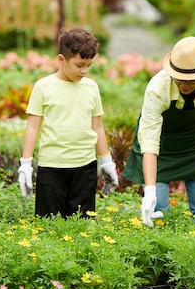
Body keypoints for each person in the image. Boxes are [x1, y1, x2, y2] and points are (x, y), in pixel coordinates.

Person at [122, 36, 195, 227]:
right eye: (179, 79)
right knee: (159, 212)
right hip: (159, 147)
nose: (184, 85)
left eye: (191, 80)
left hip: (193, 145)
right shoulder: (158, 88)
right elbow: (149, 140)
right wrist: (149, 190)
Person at [17, 27, 119, 218]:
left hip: (85, 166)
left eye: (89, 65)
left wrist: (106, 161)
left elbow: (96, 126)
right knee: (49, 224)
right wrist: (25, 164)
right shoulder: (43, 87)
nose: (85, 71)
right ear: (61, 60)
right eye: (80, 65)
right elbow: (32, 126)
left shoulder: (91, 87)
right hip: (51, 166)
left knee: (82, 224)